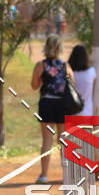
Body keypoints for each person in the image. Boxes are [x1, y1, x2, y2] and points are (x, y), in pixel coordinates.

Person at [31, 34, 76, 184]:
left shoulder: (41, 65)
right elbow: (72, 86)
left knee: (46, 141)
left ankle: (44, 174)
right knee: (63, 140)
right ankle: (66, 175)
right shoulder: (65, 66)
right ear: (60, 48)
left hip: (46, 104)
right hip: (62, 106)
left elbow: (34, 85)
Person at [68, 45, 96, 116]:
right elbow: (93, 89)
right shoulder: (91, 72)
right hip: (87, 112)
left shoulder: (69, 72)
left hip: (71, 111)